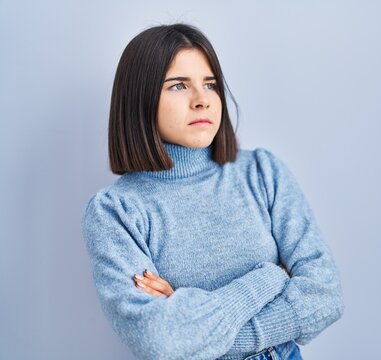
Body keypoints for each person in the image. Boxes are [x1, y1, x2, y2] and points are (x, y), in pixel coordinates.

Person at [81, 23, 344, 360]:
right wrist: (271, 278)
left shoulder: (263, 172)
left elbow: (325, 297)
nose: (202, 100)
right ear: (140, 98)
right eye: (178, 85)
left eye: (211, 84)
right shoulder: (116, 211)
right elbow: (160, 341)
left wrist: (191, 317)